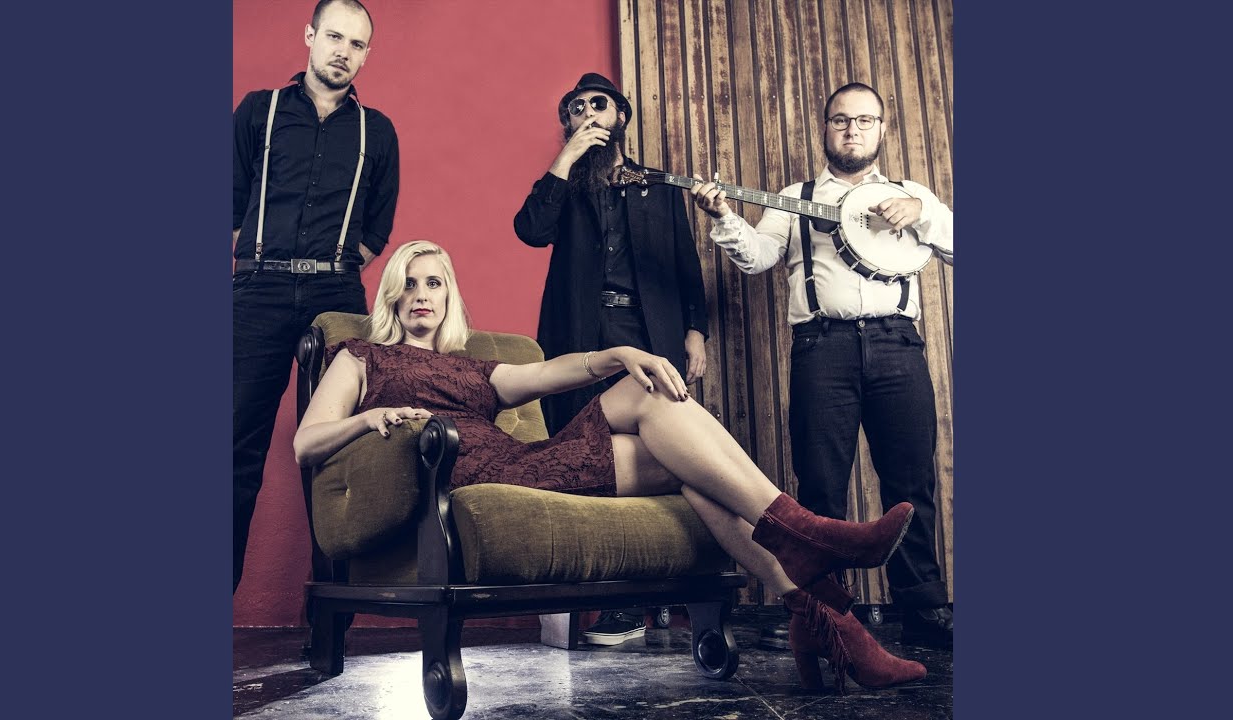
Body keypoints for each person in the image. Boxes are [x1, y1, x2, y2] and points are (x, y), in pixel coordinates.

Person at [294, 240, 926, 693]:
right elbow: (307, 443)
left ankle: (813, 608)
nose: (421, 295)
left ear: (449, 295)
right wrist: (369, 420)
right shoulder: (361, 358)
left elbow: (552, 373)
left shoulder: (476, 369)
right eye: (410, 282)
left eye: (434, 283)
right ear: (392, 293)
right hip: (472, 476)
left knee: (679, 446)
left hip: (527, 462)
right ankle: (812, 549)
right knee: (666, 424)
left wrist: (620, 352)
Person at [689, 82, 955, 649]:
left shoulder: (913, 194)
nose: (852, 129)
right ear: (826, 128)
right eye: (841, 120)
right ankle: (825, 611)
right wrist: (725, 215)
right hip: (821, 348)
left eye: (864, 120)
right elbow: (757, 259)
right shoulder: (795, 197)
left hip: (897, 345)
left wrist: (924, 215)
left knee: (912, 481)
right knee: (820, 484)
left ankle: (924, 609)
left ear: (881, 129)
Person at [513, 72, 709, 644]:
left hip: (650, 330)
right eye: (575, 109)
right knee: (590, 453)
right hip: (582, 334)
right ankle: (610, 598)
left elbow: (685, 262)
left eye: (598, 104)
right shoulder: (566, 187)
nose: (587, 114)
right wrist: (566, 158)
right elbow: (529, 230)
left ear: (621, 115)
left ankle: (661, 593)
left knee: (662, 451)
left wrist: (695, 331)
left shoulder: (658, 185)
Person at [232, 0, 399, 593]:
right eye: (334, 37)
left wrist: (330, 270)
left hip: (336, 296)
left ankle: (333, 613)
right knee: (234, 443)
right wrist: (264, 263)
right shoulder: (260, 111)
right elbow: (230, 205)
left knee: (341, 446)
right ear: (309, 36)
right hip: (259, 290)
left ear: (366, 54)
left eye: (356, 44)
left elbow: (376, 230)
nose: (342, 52)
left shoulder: (377, 130)